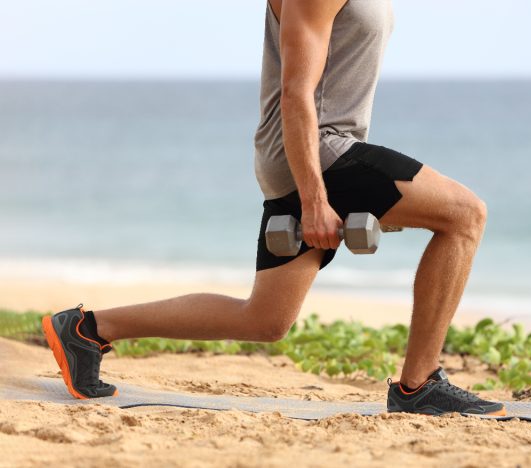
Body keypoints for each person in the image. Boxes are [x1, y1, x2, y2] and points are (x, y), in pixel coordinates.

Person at [42, 0, 505, 416]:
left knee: (265, 319)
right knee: (466, 214)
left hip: (310, 155)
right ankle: (417, 385)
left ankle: (87, 329)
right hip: (321, 151)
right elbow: (295, 93)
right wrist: (315, 199)